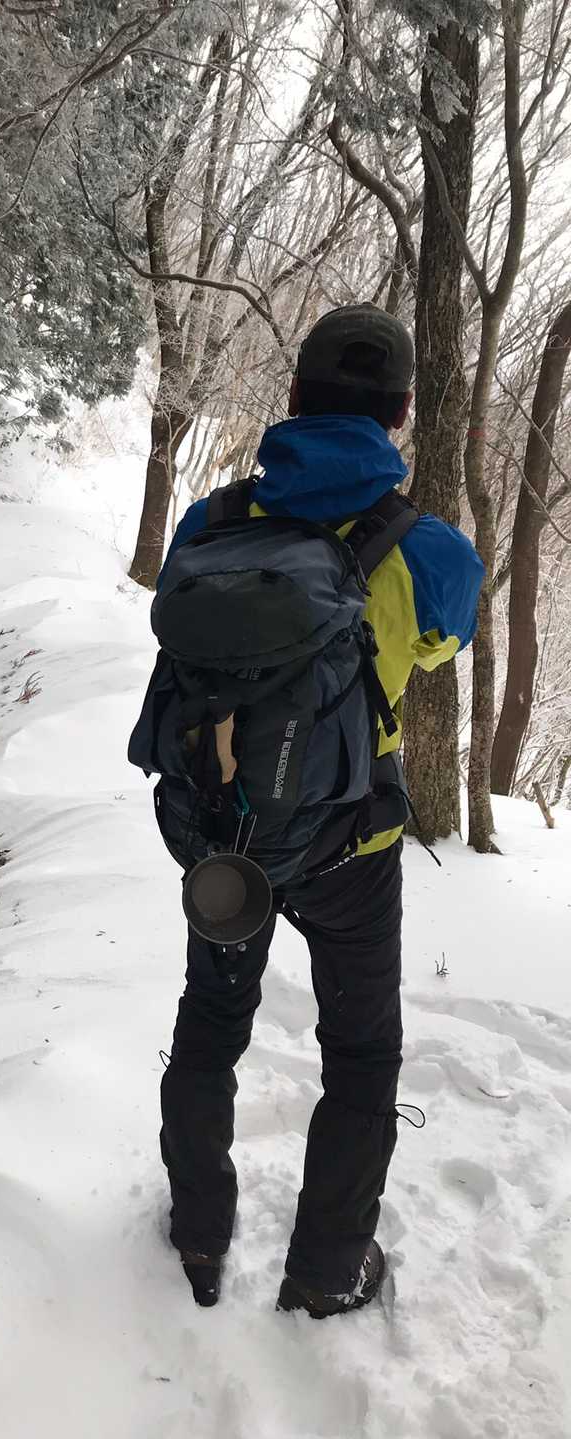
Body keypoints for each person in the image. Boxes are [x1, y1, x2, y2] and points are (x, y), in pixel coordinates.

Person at [148, 304, 484, 1316]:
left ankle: (198, 1234)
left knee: (212, 1020)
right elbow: (438, 650)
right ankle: (327, 1270)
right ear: (403, 413)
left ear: (293, 398)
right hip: (351, 847)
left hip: (228, 836)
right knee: (362, 1051)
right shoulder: (432, 551)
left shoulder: (209, 522)